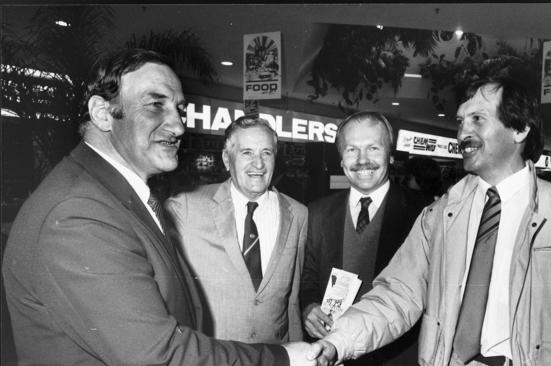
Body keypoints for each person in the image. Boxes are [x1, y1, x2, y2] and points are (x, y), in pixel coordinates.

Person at [2, 48, 317, 366]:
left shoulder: (112, 196)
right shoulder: (79, 213)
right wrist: (283, 358)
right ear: (102, 112)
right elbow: (159, 355)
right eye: (156, 105)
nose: (179, 126)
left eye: (180, 110)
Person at [312, 77, 551, 366]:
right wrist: (337, 341)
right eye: (461, 121)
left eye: (478, 119)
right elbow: (397, 295)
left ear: (520, 128)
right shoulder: (438, 217)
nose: (463, 132)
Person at [165, 116, 307, 344]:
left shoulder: (299, 214)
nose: (258, 164)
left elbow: (292, 301)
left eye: (266, 153)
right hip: (212, 356)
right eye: (247, 153)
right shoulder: (186, 207)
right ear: (226, 159)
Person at [300, 111, 425, 366]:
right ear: (341, 160)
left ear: (390, 155)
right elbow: (307, 277)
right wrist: (308, 307)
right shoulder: (317, 213)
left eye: (373, 148)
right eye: (352, 150)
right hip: (331, 352)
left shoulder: (422, 213)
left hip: (398, 357)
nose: (362, 160)